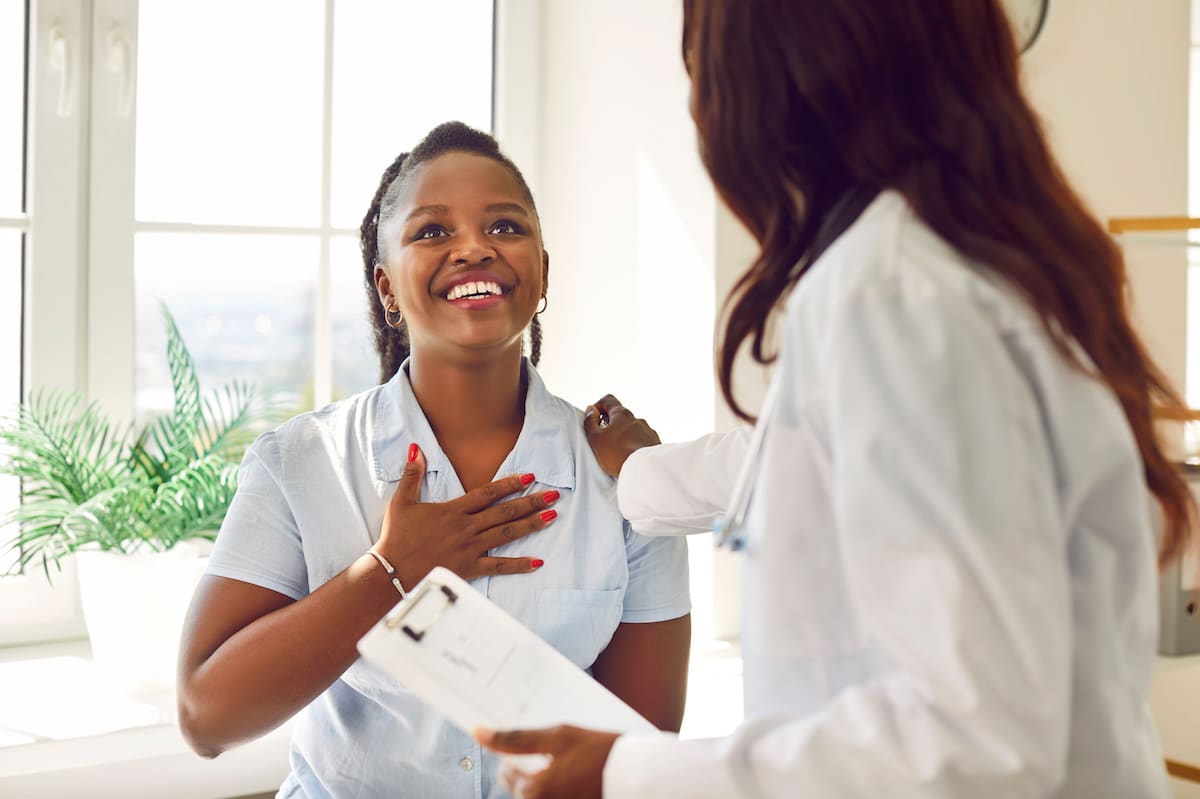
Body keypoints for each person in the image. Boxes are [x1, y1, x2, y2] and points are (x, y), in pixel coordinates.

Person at [476, 1, 1194, 797]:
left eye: (702, 67)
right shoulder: (977, 262)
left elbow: (977, 737)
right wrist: (643, 475)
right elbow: (825, 459)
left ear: (775, 83)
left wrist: (627, 770)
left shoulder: (891, 293)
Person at [176, 121, 692, 798]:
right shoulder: (300, 461)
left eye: (505, 227)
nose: (475, 247)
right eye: (432, 232)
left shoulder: (626, 480)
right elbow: (206, 717)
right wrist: (391, 572)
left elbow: (638, 756)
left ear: (541, 270)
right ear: (387, 289)